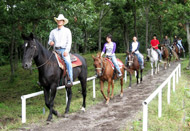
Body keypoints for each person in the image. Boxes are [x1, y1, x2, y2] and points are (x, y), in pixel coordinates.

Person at [48, 14, 73, 85]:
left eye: (60, 20)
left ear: (63, 21)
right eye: (58, 20)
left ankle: (70, 79)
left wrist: (67, 51)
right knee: (48, 62)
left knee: (68, 62)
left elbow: (69, 42)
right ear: (57, 21)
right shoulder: (53, 31)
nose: (59, 21)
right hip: (55, 50)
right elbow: (49, 40)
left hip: (63, 50)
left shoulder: (67, 30)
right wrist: (50, 42)